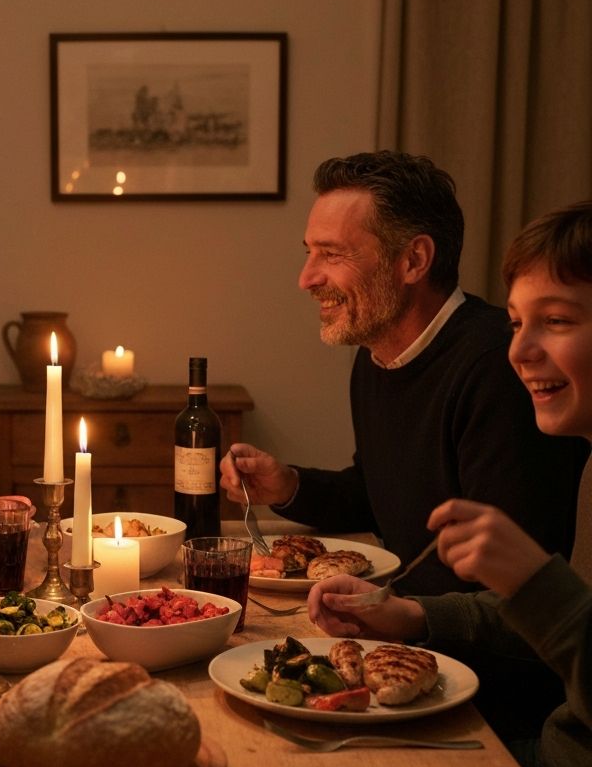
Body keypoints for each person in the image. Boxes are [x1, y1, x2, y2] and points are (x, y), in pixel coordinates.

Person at [308, 200, 592, 767]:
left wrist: (535, 585)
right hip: (551, 756)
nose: (519, 350)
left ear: (415, 260)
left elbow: (562, 632)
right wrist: (413, 619)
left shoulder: (484, 372)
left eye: (555, 321)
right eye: (519, 322)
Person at [222, 151, 588, 596]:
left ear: (414, 260)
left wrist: (392, 611)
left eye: (332, 254)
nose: (307, 277)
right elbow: (385, 497)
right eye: (309, 253)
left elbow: (515, 583)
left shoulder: (501, 366)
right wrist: (289, 486)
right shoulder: (377, 354)